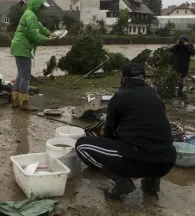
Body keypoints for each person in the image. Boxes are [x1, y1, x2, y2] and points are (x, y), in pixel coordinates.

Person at [75, 63, 176, 199]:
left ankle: (121, 181)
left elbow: (109, 133)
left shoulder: (119, 97)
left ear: (123, 78)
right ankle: (151, 182)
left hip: (137, 162)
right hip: (167, 162)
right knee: (152, 140)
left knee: (82, 145)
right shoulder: (155, 94)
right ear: (144, 78)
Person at [10, 0, 53, 111]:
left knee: (20, 74)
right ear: (36, 5)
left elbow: (38, 27)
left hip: (17, 46)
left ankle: (15, 101)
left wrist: (48, 33)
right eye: (41, 6)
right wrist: (48, 39)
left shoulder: (29, 14)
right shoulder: (31, 16)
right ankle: (24, 103)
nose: (42, 9)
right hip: (22, 47)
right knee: (26, 75)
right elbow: (34, 35)